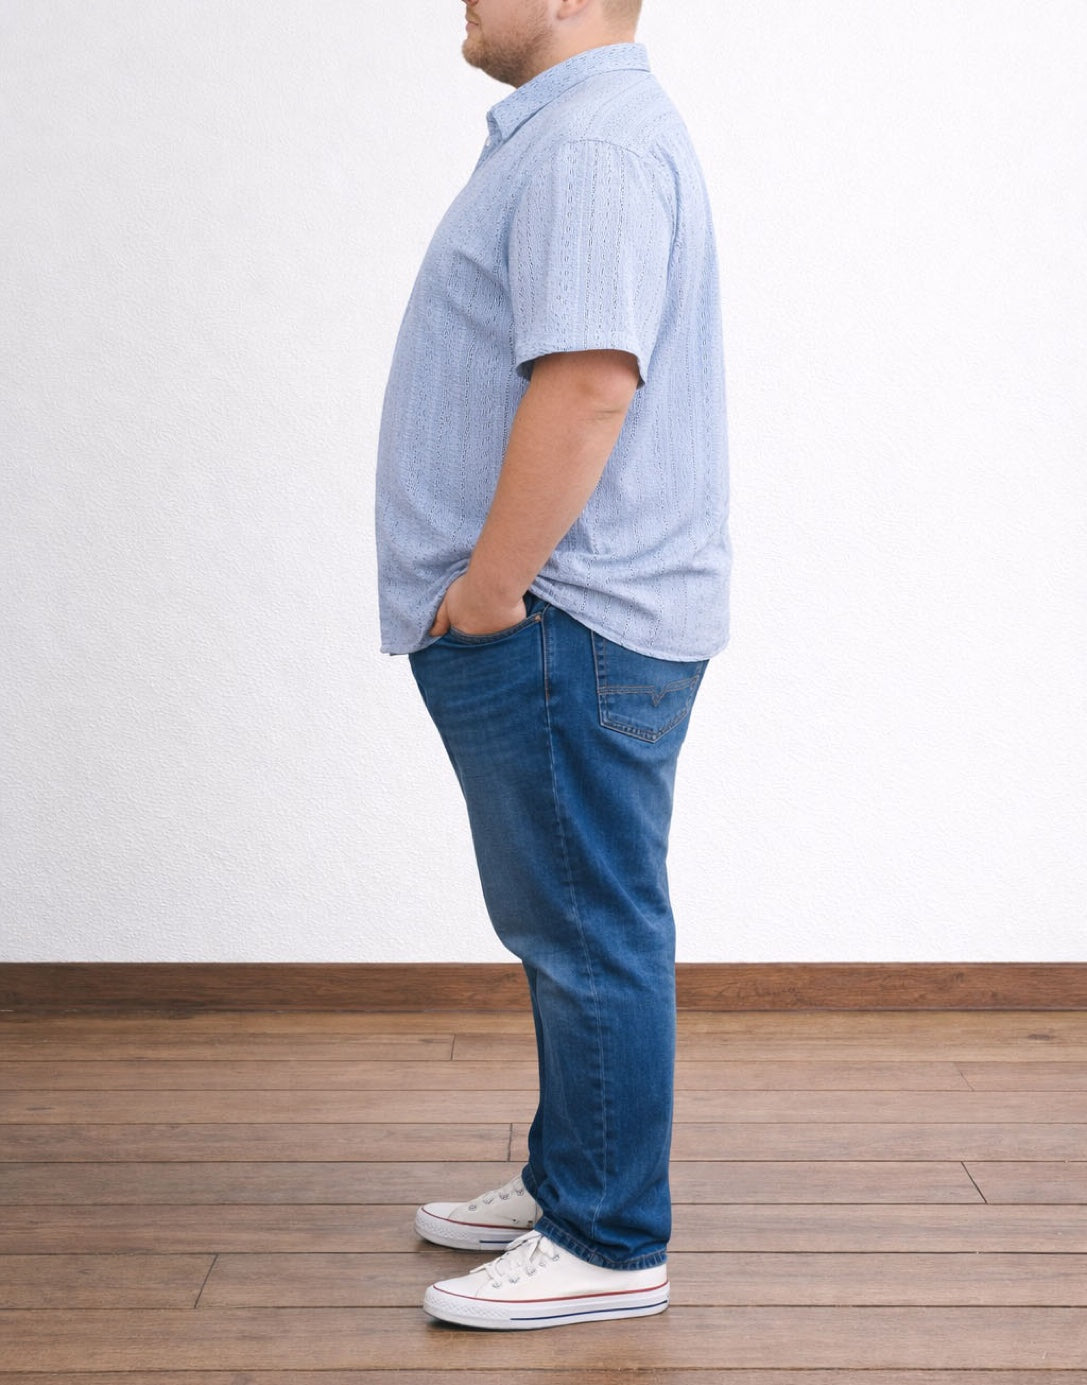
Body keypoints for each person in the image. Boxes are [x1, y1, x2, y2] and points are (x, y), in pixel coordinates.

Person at [375, 0, 731, 1331]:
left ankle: (608, 1237)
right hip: (556, 626)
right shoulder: (575, 133)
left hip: (558, 624)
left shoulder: (591, 144)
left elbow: (588, 385)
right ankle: (570, 1176)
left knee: (588, 927)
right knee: (566, 920)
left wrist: (486, 595)